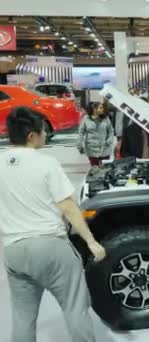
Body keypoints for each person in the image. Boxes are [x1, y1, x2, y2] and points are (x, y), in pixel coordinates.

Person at [0, 107, 107, 342]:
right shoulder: (46, 163)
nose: (46, 135)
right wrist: (91, 242)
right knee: (74, 308)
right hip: (50, 247)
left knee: (22, 318)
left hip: (14, 251)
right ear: (31, 136)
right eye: (43, 131)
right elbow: (68, 207)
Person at [77, 102, 114, 167]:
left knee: (105, 169)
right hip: (91, 149)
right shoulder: (86, 118)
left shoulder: (106, 118)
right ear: (94, 109)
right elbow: (81, 132)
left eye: (103, 108)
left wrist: (109, 141)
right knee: (95, 169)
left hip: (105, 148)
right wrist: (79, 144)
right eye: (100, 108)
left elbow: (111, 131)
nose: (103, 109)